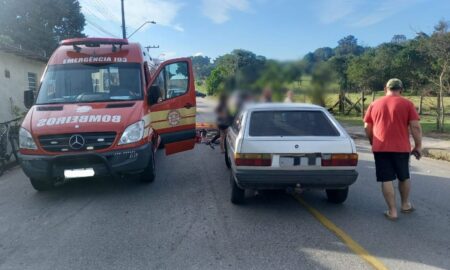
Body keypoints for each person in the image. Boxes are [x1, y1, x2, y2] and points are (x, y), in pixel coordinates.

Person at [364, 78, 422, 221]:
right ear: (401, 89)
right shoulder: (408, 104)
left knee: (386, 178)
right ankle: (405, 205)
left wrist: (373, 140)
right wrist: (418, 146)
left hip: (381, 147)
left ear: (386, 89)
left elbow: (367, 126)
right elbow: (415, 127)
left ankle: (392, 211)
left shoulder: (374, 104)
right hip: (401, 148)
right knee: (404, 176)